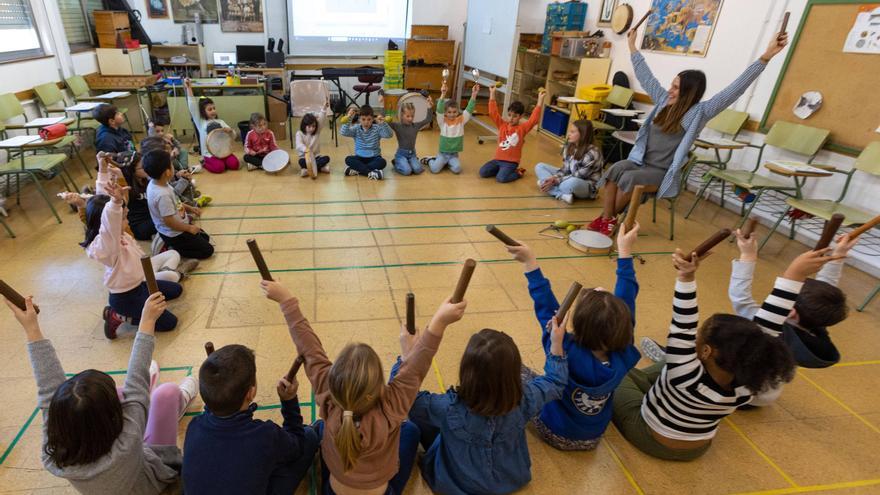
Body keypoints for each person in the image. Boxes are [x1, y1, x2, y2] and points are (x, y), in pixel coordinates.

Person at [611, 248, 840, 461]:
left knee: (616, 374)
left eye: (699, 338)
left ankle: (648, 386)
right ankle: (658, 386)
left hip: (651, 438)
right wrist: (795, 274)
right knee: (669, 367)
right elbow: (767, 326)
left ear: (707, 350)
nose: (694, 336)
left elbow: (683, 320)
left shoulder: (683, 372)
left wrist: (687, 277)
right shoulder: (754, 378)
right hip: (697, 448)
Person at [262, 279, 467, 495]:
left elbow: (309, 348)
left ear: (333, 381)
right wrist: (432, 330)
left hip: (333, 489)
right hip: (381, 490)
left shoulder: (328, 396)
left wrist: (287, 301)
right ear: (380, 387)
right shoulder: (391, 407)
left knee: (322, 428)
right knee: (411, 430)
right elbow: (415, 368)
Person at [587, 27, 789, 236]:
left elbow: (735, 90)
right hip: (640, 162)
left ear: (688, 92)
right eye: (672, 85)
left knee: (629, 178)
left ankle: (608, 221)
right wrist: (631, 45)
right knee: (615, 169)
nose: (670, 90)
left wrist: (765, 57)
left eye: (676, 87)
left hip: (661, 171)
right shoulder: (664, 101)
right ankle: (607, 219)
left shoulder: (697, 113)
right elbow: (645, 76)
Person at [6, 292, 198, 494]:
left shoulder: (53, 455)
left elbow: (48, 394)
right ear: (113, 417)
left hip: (124, 454)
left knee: (127, 395)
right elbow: (137, 380)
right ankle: (176, 398)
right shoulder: (128, 441)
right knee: (166, 393)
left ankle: (149, 399)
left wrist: (31, 327)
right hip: (156, 486)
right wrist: (148, 318)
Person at [508, 224, 641, 451]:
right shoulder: (625, 350)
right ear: (624, 324)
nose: (599, 289)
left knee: (511, 368)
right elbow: (627, 295)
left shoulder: (563, 347)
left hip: (554, 430)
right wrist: (624, 252)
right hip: (593, 437)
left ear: (577, 326)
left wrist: (530, 263)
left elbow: (546, 307)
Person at [402, 315, 567, 494]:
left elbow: (404, 399)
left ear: (466, 371)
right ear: (514, 374)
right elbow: (556, 381)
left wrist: (407, 357)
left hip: (455, 486)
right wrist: (556, 344)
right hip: (511, 480)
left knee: (417, 418)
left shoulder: (449, 407)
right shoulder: (526, 398)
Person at [81, 157, 195, 338]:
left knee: (176, 290)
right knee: (169, 323)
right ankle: (117, 316)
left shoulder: (115, 234)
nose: (127, 218)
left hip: (140, 284)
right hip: (126, 297)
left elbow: (102, 199)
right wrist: (116, 204)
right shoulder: (107, 244)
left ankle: (144, 301)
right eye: (124, 216)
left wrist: (103, 170)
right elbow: (108, 218)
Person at [182, 344, 319, 494]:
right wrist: (289, 400)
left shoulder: (194, 425)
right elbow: (297, 445)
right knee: (309, 436)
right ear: (251, 392)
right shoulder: (265, 435)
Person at [143, 150, 214, 260]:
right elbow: (169, 222)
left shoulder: (159, 183)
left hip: (178, 227)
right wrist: (189, 228)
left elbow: (176, 202)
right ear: (167, 172)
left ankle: (174, 244)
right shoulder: (162, 195)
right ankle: (171, 249)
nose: (173, 166)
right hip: (174, 234)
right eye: (171, 164)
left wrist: (191, 208)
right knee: (208, 251)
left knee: (205, 238)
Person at [478, 87, 545, 183]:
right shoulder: (502, 125)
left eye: (515, 116)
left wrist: (540, 100)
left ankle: (518, 172)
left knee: (501, 179)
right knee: (482, 172)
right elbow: (493, 113)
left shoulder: (522, 129)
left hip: (511, 163)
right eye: (509, 115)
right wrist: (492, 93)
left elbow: (533, 119)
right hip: (497, 160)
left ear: (520, 117)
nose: (511, 118)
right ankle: (501, 170)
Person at [534, 120, 604, 204]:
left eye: (572, 132)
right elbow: (565, 170)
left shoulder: (593, 153)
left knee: (569, 183)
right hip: (569, 176)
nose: (568, 134)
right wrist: (553, 178)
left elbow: (578, 176)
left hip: (585, 185)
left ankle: (545, 185)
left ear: (583, 134)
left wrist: (556, 180)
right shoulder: (570, 146)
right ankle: (561, 194)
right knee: (540, 166)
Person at [183, 78, 240, 173]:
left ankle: (220, 162)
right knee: (220, 168)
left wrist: (230, 131)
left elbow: (233, 136)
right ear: (202, 111)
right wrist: (189, 88)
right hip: (209, 154)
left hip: (224, 151)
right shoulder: (201, 122)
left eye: (214, 108)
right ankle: (204, 162)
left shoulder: (221, 121)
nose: (213, 111)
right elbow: (192, 106)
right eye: (210, 109)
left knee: (235, 165)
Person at [422, 82, 478, 174]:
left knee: (457, 169)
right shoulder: (442, 121)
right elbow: (439, 109)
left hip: (454, 155)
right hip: (442, 154)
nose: (452, 114)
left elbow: (469, 109)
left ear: (457, 112)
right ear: (445, 113)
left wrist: (474, 94)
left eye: (454, 112)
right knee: (435, 170)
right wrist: (443, 94)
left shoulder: (461, 120)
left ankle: (446, 163)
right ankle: (430, 160)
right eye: (449, 112)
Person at [340, 105, 394, 180]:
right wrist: (349, 118)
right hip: (359, 157)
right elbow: (343, 132)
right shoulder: (356, 128)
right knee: (348, 159)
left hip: (374, 157)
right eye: (363, 119)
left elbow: (389, 135)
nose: (366, 122)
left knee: (382, 162)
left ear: (372, 119)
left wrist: (383, 123)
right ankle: (371, 173)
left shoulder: (377, 128)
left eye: (369, 119)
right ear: (359, 119)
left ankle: (357, 170)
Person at [388, 98, 433, 175]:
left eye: (412, 116)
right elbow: (388, 121)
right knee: (407, 171)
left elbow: (428, 119)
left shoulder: (415, 126)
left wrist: (429, 107)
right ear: (402, 115)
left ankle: (408, 162)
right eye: (408, 116)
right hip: (401, 154)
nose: (410, 118)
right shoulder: (397, 126)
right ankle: (396, 162)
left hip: (412, 154)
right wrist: (389, 111)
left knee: (418, 170)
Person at [295, 112, 331, 177]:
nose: (311, 128)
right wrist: (306, 149)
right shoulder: (299, 133)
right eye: (309, 126)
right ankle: (320, 168)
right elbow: (298, 145)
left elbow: (321, 120)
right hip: (305, 158)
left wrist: (324, 108)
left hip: (316, 157)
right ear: (304, 125)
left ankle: (307, 170)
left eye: (313, 126)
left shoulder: (316, 132)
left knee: (327, 158)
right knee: (301, 162)